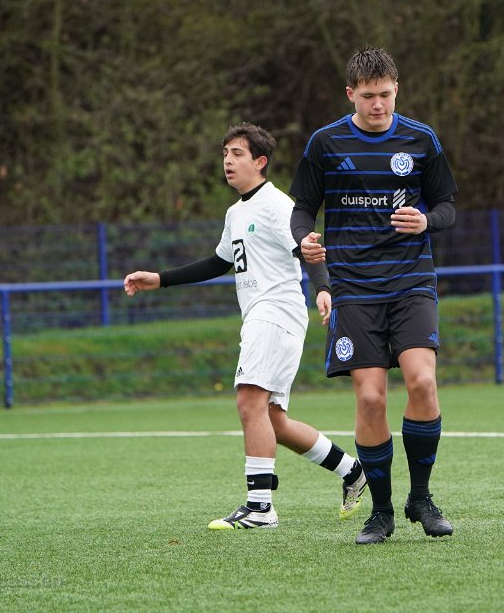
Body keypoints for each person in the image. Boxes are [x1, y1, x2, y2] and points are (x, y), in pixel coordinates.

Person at [124, 123, 367, 530]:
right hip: (261, 316)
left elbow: (309, 248)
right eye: (225, 154)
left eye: (237, 154)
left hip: (277, 311)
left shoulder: (277, 205)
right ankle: (352, 471)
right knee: (273, 420)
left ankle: (260, 507)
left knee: (248, 402)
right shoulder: (236, 213)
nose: (228, 161)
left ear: (260, 161)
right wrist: (160, 279)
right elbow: (219, 262)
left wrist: (324, 289)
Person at [289, 47, 458, 544]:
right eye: (368, 96)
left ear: (396, 89)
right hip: (354, 288)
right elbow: (302, 210)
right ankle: (380, 512)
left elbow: (447, 206)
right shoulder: (325, 142)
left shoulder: (421, 139)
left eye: (385, 94)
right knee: (369, 396)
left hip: (410, 281)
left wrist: (426, 220)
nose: (378, 104)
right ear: (351, 94)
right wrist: (304, 239)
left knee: (422, 382)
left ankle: (420, 498)